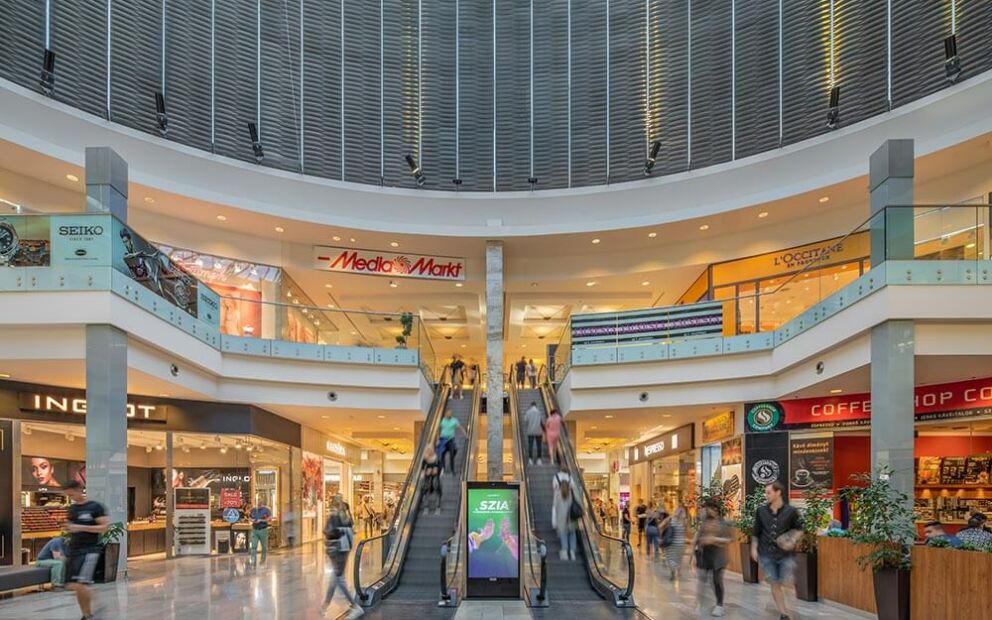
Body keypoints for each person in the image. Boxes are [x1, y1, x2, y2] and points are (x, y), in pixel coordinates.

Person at [751, 481, 802, 620]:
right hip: (766, 553)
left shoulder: (791, 511)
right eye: (766, 492)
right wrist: (754, 548)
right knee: (774, 582)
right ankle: (784, 613)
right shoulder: (761, 511)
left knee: (788, 583)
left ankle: (791, 610)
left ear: (778, 492)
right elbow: (756, 531)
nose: (766, 495)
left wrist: (791, 540)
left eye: (769, 492)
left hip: (786, 554)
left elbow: (799, 529)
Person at [63, 481, 109, 620]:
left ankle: (88, 614)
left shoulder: (95, 507)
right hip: (74, 549)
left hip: (90, 550)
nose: (72, 498)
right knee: (73, 584)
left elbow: (105, 527)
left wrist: (81, 527)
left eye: (72, 494)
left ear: (79, 490)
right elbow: (71, 524)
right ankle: (88, 612)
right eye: (68, 495)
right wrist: (69, 527)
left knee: (81, 583)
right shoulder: (72, 509)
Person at [322, 494, 363, 619]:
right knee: (335, 577)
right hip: (344, 548)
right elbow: (350, 530)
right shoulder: (346, 516)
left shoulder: (334, 517)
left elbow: (328, 532)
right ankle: (325, 605)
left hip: (337, 549)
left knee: (338, 578)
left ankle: (354, 605)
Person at [693, 499, 732, 617]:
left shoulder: (724, 523)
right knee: (703, 580)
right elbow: (699, 536)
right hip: (705, 555)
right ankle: (700, 603)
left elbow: (728, 539)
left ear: (715, 509)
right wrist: (694, 551)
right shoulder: (705, 522)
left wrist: (714, 540)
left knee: (716, 580)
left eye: (709, 508)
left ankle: (719, 605)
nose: (707, 510)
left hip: (718, 556)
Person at [551, 464, 578, 560]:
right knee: (572, 534)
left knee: (563, 535)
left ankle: (565, 552)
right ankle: (572, 552)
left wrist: (555, 522)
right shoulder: (571, 496)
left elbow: (555, 509)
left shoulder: (558, 497)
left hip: (561, 519)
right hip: (571, 518)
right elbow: (574, 488)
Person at [661, 499, 688, 580]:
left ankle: (673, 574)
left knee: (671, 558)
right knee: (678, 558)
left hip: (671, 543)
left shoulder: (672, 520)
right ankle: (678, 571)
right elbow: (685, 532)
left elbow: (660, 526)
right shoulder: (685, 522)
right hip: (681, 543)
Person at [437, 408, 467, 475]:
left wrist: (466, 435)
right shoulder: (442, 420)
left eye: (451, 413)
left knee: (452, 454)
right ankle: (443, 469)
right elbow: (438, 429)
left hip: (450, 440)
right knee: (442, 455)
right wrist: (437, 439)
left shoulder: (454, 420)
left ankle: (452, 470)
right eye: (448, 413)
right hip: (442, 440)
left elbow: (460, 428)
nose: (450, 414)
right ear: (445, 414)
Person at [249, 500, 273, 566]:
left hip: (263, 530)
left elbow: (270, 518)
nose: (258, 507)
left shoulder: (267, 510)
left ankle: (263, 560)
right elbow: (250, 517)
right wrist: (252, 520)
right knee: (253, 546)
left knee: (264, 546)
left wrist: (261, 520)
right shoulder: (253, 510)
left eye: (259, 505)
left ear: (262, 504)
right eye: (257, 505)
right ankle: (253, 560)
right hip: (255, 530)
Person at [421, 444, 442, 515]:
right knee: (426, 492)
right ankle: (426, 508)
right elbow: (423, 469)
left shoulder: (437, 458)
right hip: (427, 478)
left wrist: (436, 470)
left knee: (437, 492)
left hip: (436, 478)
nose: (430, 451)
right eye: (428, 450)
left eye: (431, 449)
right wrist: (426, 471)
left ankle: (438, 508)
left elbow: (441, 467)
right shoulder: (425, 459)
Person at [524, 400, 545, 465]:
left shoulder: (528, 412)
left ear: (531, 405)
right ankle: (539, 460)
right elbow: (542, 422)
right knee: (539, 446)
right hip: (539, 431)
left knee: (530, 445)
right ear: (536, 405)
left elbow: (525, 421)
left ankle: (530, 459)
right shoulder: (539, 412)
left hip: (530, 431)